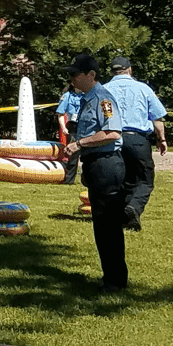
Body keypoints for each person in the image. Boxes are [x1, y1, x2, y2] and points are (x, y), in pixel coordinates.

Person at [60, 54, 128, 292]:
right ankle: (110, 277)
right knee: (101, 224)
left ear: (91, 75)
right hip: (96, 164)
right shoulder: (86, 100)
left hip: (106, 164)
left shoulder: (102, 99)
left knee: (108, 225)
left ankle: (115, 280)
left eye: (76, 74)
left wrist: (80, 144)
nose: (72, 79)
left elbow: (112, 133)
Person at [101, 55, 171, 230]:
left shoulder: (104, 90)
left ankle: (124, 217)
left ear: (112, 71)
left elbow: (104, 116)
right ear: (129, 69)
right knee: (144, 179)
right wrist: (161, 139)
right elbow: (157, 117)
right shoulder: (143, 89)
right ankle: (133, 207)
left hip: (112, 139)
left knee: (120, 179)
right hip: (137, 140)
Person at [55, 83, 83, 184]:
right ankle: (69, 180)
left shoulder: (88, 95)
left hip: (86, 125)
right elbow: (60, 114)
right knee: (73, 154)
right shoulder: (67, 96)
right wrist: (63, 127)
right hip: (73, 125)